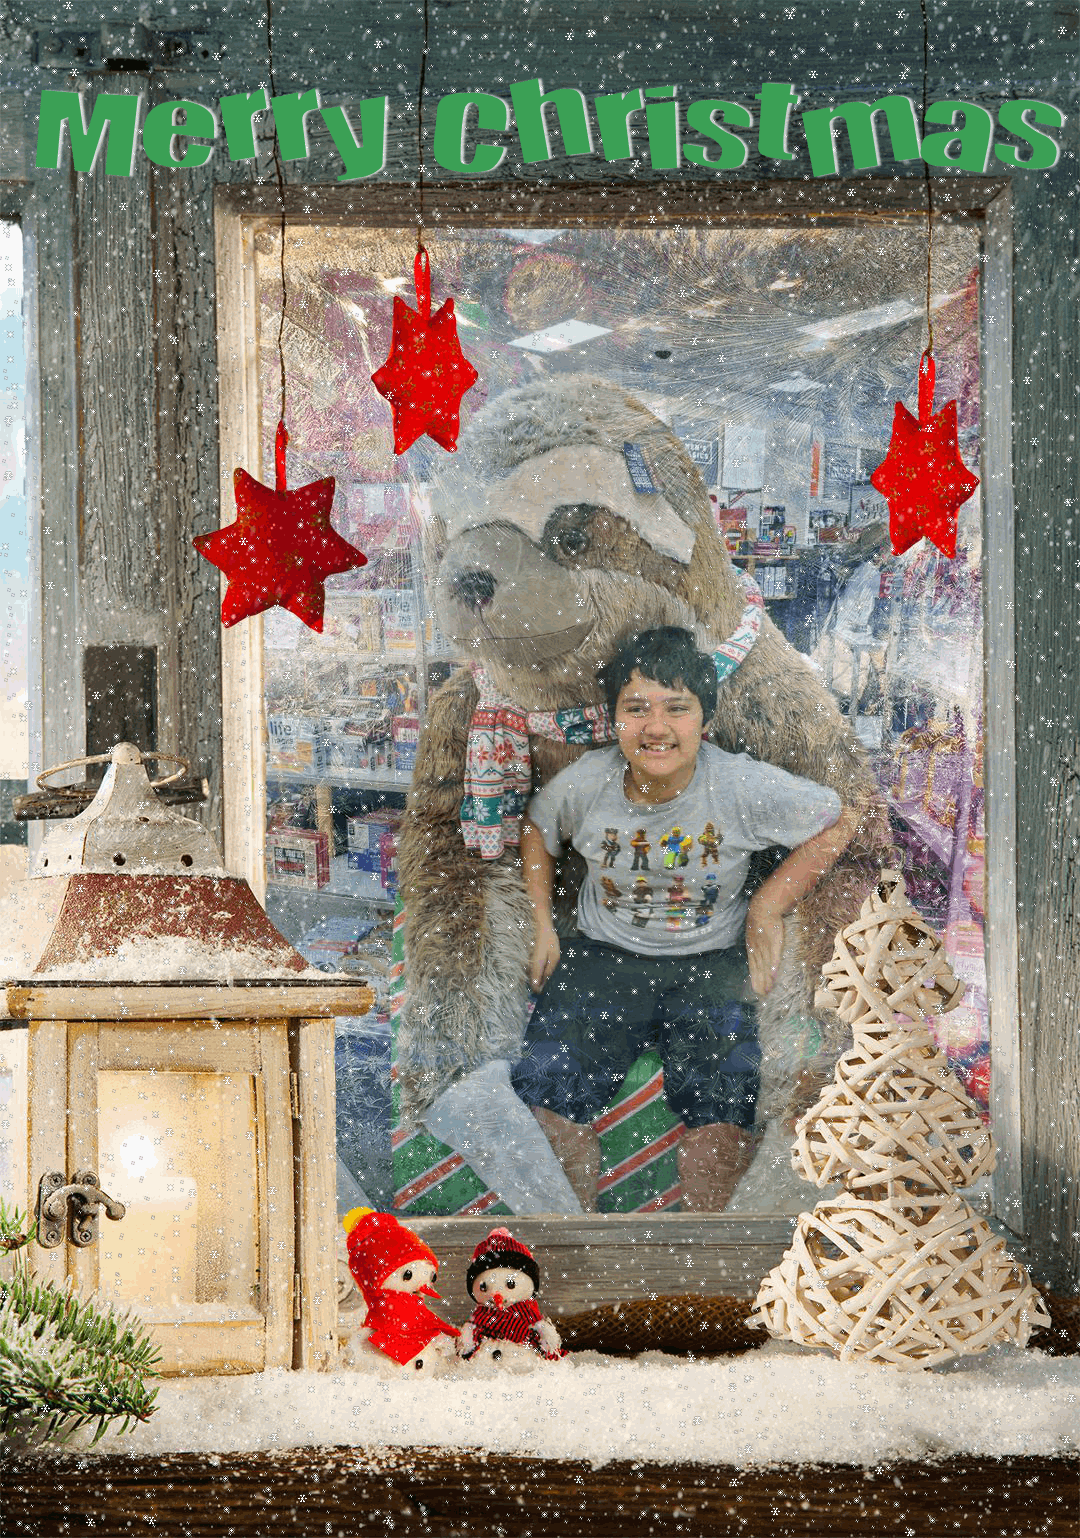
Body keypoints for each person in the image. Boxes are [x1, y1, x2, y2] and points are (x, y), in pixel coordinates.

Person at [509, 625, 858, 1211]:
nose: (656, 727)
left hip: (711, 965)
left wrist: (768, 905)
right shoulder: (589, 780)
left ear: (705, 719)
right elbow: (537, 829)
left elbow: (840, 819)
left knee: (722, 1128)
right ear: (614, 718)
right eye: (636, 708)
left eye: (677, 708)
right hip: (603, 958)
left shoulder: (740, 784)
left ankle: (702, 1257)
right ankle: (575, 1250)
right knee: (546, 1112)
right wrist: (542, 924)